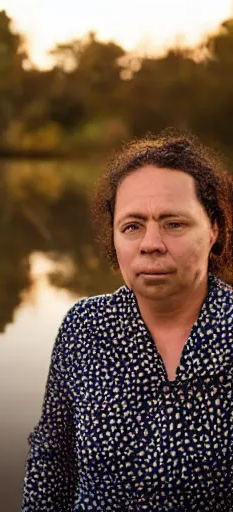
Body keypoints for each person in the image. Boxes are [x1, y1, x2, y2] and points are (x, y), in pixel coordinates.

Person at [21, 132, 233, 511]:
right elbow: (53, 459)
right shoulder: (85, 327)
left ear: (214, 228)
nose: (150, 243)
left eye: (174, 224)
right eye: (132, 226)